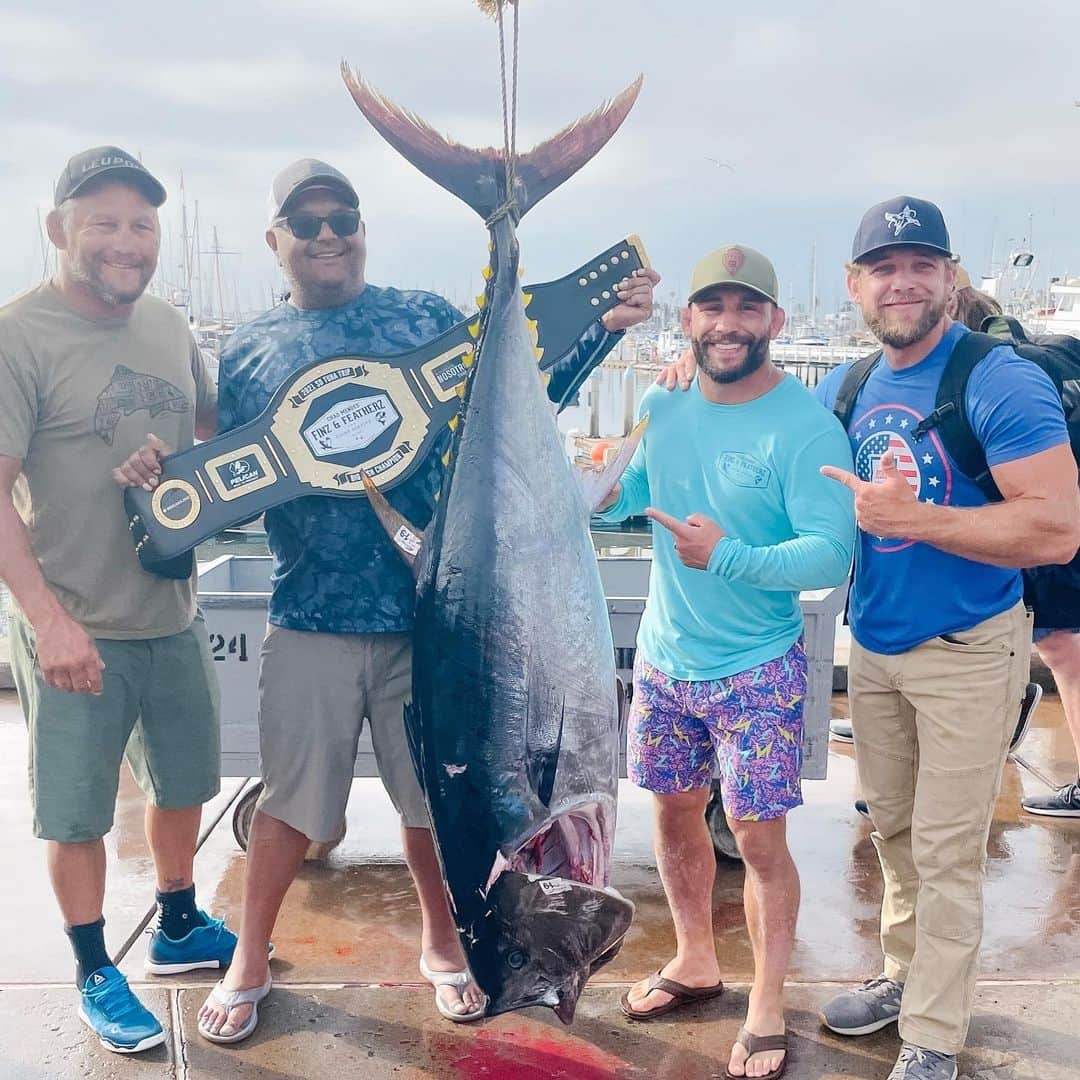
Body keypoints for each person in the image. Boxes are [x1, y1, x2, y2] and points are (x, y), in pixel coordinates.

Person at [118, 158, 659, 1042]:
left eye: (343, 218)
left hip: (437, 616)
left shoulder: (426, 319)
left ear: (362, 229)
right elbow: (222, 464)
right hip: (310, 613)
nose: (327, 234)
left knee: (435, 806)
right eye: (307, 222)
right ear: (275, 241)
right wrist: (155, 475)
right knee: (290, 806)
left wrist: (601, 332)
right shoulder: (250, 346)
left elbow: (514, 410)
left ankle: (445, 945)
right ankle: (252, 955)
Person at [815, 196, 1080, 1080]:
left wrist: (917, 519)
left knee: (948, 847)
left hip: (969, 646)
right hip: (879, 649)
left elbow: (1055, 530)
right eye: (884, 267)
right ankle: (903, 975)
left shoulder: (999, 381)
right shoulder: (845, 387)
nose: (903, 282)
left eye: (922, 265)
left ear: (951, 279)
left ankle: (933, 1036)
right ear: (856, 286)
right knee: (890, 831)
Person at [599, 245, 855, 1080]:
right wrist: (606, 479)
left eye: (748, 309)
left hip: (758, 669)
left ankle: (768, 1001)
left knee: (759, 839)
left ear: (775, 323)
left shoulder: (807, 424)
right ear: (690, 319)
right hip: (670, 662)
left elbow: (829, 554)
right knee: (672, 815)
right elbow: (636, 494)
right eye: (713, 307)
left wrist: (734, 556)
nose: (729, 324)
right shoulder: (664, 401)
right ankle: (695, 960)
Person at [0, 147, 231, 1055]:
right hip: (73, 622)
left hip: (171, 613)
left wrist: (176, 470)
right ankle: (97, 965)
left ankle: (177, 923)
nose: (124, 241)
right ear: (60, 230)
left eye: (141, 224)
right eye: (102, 222)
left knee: (184, 785)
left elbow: (214, 436)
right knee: (78, 810)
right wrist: (48, 620)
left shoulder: (170, 324)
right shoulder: (19, 332)